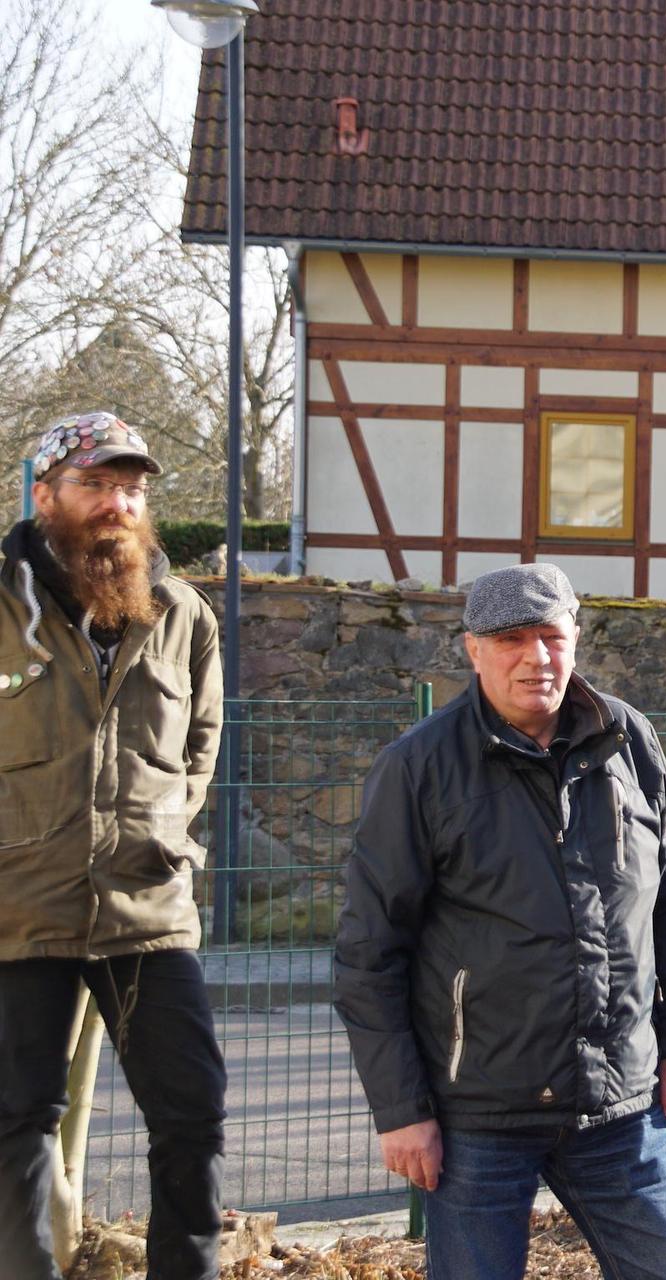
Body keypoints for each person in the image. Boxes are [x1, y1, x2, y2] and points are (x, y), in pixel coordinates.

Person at [334, 562, 666, 1280]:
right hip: (480, 1114)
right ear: (473, 651)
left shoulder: (628, 742)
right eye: (510, 639)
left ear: (575, 641)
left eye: (550, 636)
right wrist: (400, 1108)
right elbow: (368, 954)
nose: (535, 657)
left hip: (621, 1107)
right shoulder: (420, 768)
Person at [0, 413, 226, 1279]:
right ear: (47, 493)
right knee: (17, 1117)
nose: (117, 505)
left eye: (131, 489)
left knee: (193, 1114)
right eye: (96, 484)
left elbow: (199, 750)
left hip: (146, 907)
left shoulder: (181, 614)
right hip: (19, 908)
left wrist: (158, 831)